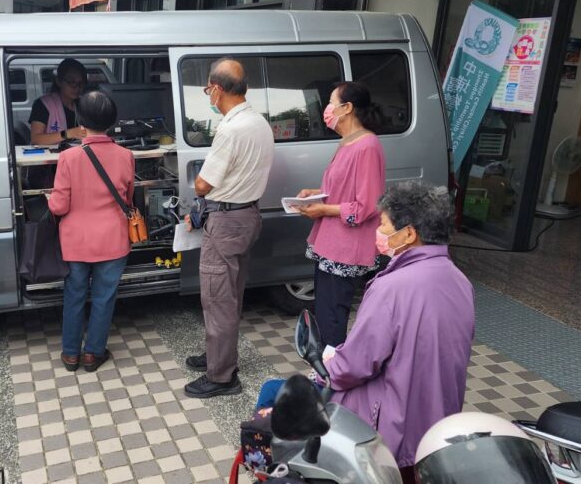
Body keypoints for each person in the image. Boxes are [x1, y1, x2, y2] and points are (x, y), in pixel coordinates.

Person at [258, 181, 474, 482]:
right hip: (439, 419)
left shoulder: (392, 287)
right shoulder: (460, 281)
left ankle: (273, 470)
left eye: (383, 224)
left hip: (392, 423)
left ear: (409, 234)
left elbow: (356, 365)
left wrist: (325, 369)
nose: (378, 231)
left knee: (272, 391)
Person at [183, 58, 275, 399]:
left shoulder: (230, 129)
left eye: (208, 89)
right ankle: (217, 355)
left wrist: (200, 183)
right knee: (230, 294)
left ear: (217, 89)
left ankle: (222, 376)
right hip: (247, 216)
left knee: (217, 297)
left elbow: (203, 184)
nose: (209, 95)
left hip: (225, 222)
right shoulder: (259, 122)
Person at [48, 91, 135, 372]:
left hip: (75, 242)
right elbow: (128, 198)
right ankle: (93, 354)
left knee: (74, 296)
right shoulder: (126, 155)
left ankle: (71, 354)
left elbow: (59, 206)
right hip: (113, 239)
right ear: (112, 121)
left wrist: (49, 200)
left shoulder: (68, 157)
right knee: (104, 297)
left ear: (80, 121)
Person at [294, 81, 386, 348]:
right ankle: (325, 365)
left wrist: (324, 209)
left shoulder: (367, 145)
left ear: (347, 108)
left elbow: (367, 206)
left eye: (331, 103)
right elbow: (342, 190)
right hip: (330, 243)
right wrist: (315, 194)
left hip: (346, 248)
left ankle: (334, 369)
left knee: (332, 316)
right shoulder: (347, 142)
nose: (327, 109)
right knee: (324, 313)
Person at [29, 58, 89, 145]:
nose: (77, 87)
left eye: (81, 83)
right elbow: (36, 139)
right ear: (59, 81)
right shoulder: (43, 104)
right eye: (71, 82)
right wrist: (68, 133)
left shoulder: (85, 104)